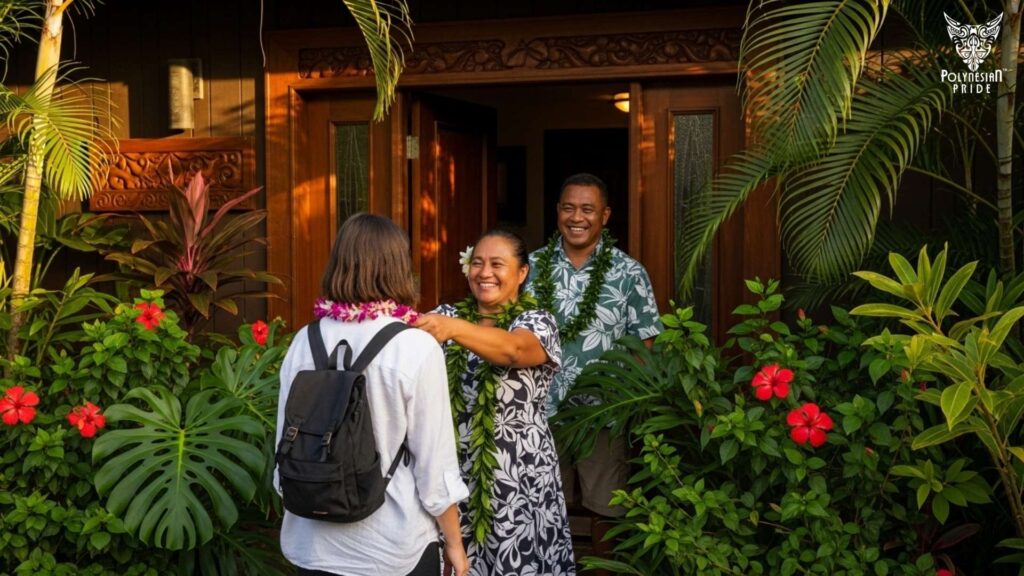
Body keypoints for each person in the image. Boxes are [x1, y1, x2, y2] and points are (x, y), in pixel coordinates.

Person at [274, 213, 470, 576]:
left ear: (338, 263)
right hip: (392, 549)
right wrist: (455, 544)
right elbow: (435, 469)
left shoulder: (304, 340)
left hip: (312, 545)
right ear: (398, 267)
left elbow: (283, 448)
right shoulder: (415, 347)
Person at [415, 229, 576, 576]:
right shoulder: (446, 315)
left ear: (522, 273)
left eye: (497, 264)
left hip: (519, 473)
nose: (484, 272)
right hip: (453, 472)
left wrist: (453, 328)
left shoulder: (537, 322)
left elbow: (513, 350)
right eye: (477, 263)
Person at [526, 173, 662, 570]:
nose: (577, 217)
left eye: (587, 209)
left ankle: (603, 570)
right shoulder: (529, 268)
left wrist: (623, 401)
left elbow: (645, 344)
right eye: (568, 208)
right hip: (539, 413)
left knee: (607, 505)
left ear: (605, 215)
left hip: (602, 415)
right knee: (541, 503)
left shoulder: (629, 272)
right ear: (557, 212)